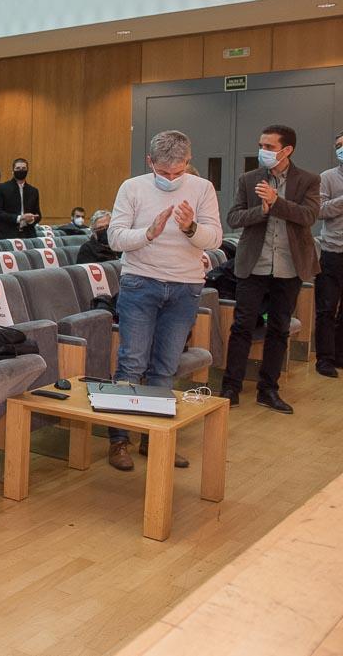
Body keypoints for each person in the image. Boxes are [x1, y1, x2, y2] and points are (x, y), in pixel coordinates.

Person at [105, 130, 222, 471]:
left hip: (185, 287)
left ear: (188, 162)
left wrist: (190, 228)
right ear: (150, 162)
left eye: (178, 171)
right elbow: (115, 237)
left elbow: (213, 237)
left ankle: (156, 441)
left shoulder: (202, 188)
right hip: (140, 283)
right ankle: (119, 441)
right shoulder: (133, 187)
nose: (171, 178)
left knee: (165, 368)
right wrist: (149, 233)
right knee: (131, 364)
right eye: (164, 172)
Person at [221, 124, 319, 412]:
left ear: (287, 150)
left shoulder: (308, 180)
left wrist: (277, 203)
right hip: (253, 265)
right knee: (242, 326)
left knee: (279, 328)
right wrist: (262, 210)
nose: (263, 151)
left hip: (290, 267)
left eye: (270, 147)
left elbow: (309, 216)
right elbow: (234, 217)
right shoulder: (248, 178)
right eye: (261, 146)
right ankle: (230, 387)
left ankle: (268, 389)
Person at [316, 131, 343, 378]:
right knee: (326, 307)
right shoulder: (327, 178)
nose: (340, 150)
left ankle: (340, 354)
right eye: (338, 146)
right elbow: (319, 210)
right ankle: (324, 358)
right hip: (333, 251)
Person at [0, 158, 41, 239]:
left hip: (28, 235)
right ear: (13, 171)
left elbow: (38, 215)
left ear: (27, 171)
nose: (21, 170)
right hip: (6, 235)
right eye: (18, 168)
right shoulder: (2, 188)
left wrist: (31, 219)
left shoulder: (33, 191)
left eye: (23, 168)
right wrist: (20, 218)